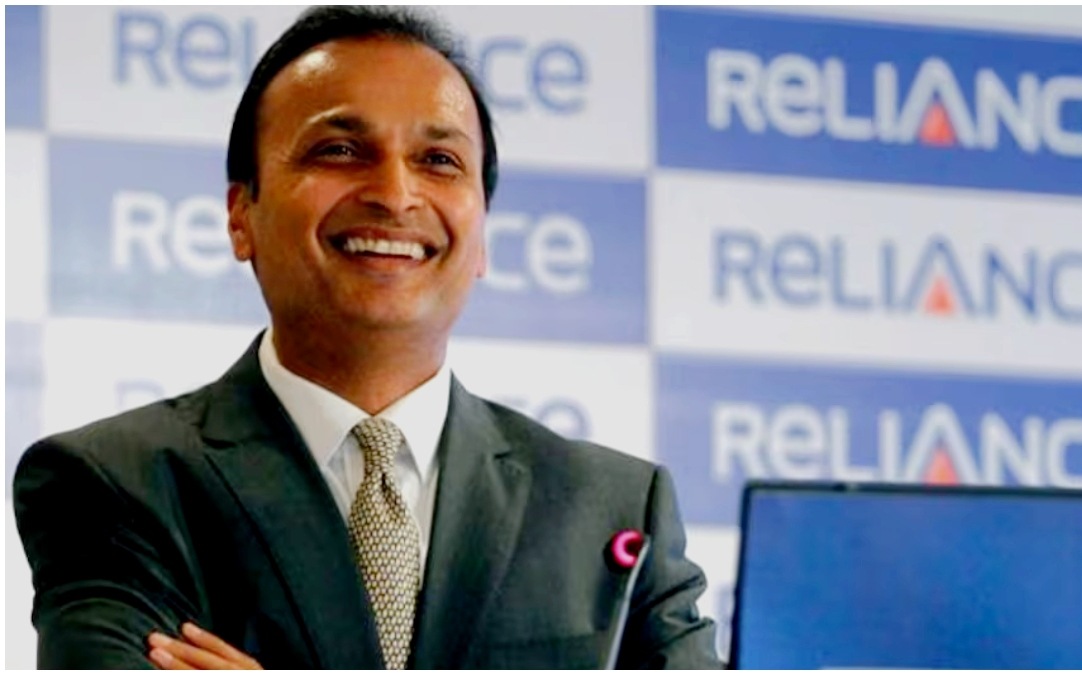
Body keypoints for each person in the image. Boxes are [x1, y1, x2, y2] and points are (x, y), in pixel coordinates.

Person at [12, 5, 721, 670]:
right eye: (340, 149)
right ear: (240, 215)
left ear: (482, 236)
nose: (394, 193)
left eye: (439, 161)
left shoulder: (615, 511)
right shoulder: (111, 483)